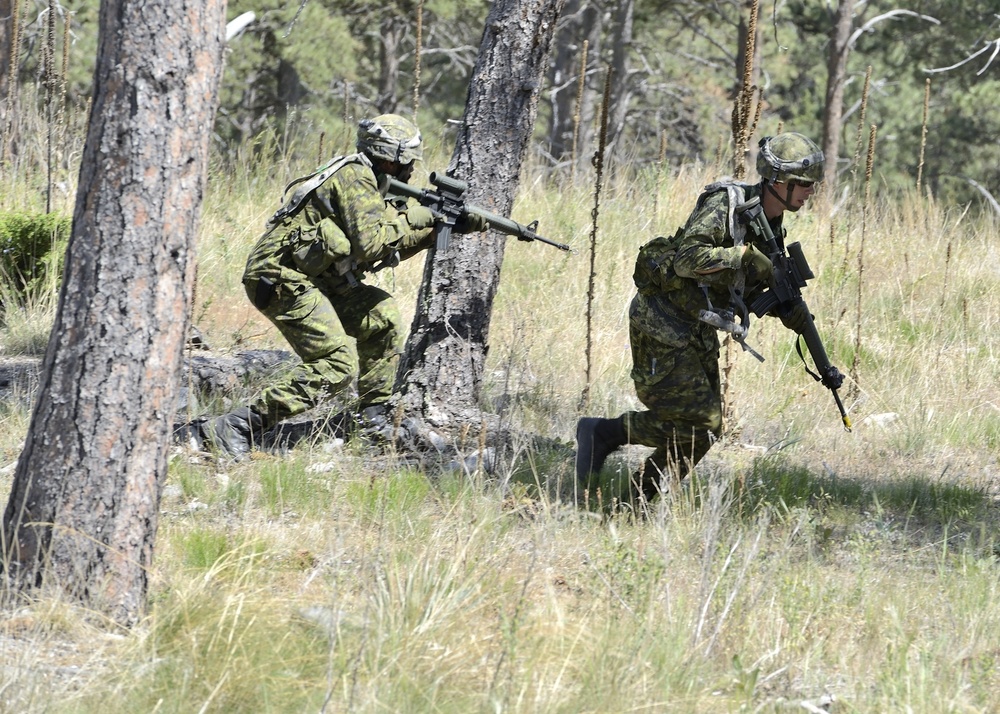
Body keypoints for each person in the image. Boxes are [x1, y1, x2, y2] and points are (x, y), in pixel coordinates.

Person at [575, 132, 842, 504]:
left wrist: (784, 308)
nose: (809, 192)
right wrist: (742, 258)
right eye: (803, 184)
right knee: (700, 423)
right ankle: (604, 434)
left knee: (704, 434)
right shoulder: (727, 204)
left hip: (697, 329)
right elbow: (688, 259)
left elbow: (741, 290)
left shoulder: (772, 228)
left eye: (811, 185)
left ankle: (636, 502)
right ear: (778, 181)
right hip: (663, 321)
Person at [196, 114, 485, 456]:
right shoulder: (355, 177)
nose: (410, 170)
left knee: (382, 318)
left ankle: (373, 417)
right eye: (406, 162)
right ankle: (237, 425)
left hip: (316, 279)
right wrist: (416, 218)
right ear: (389, 158)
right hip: (279, 277)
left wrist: (437, 230)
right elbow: (372, 244)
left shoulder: (373, 182)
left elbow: (382, 252)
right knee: (336, 365)